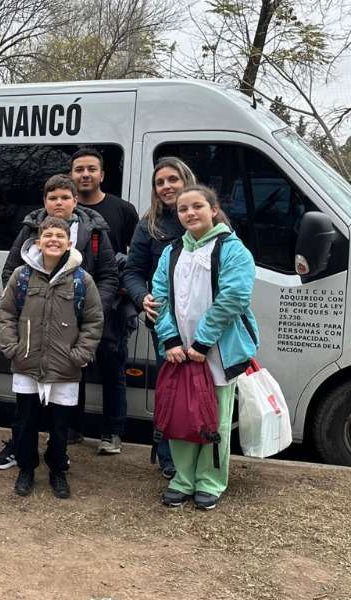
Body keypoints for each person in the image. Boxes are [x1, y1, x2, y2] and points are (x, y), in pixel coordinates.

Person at [0, 174, 117, 470]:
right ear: (44, 202)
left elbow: (109, 274)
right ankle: (21, 450)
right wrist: (29, 305)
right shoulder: (31, 226)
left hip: (70, 330)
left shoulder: (94, 230)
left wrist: (88, 306)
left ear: (75, 200)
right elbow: (12, 270)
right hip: (34, 331)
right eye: (52, 198)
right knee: (26, 405)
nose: (58, 203)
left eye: (64, 197)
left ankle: (58, 455)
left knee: (64, 406)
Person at [151, 185, 258, 511]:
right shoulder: (172, 252)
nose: (190, 213)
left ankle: (209, 481)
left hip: (217, 353)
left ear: (213, 210)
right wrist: (170, 340)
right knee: (183, 415)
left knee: (216, 420)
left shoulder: (234, 250)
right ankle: (182, 479)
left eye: (197, 206)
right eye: (183, 209)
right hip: (180, 353)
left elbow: (234, 297)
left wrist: (202, 341)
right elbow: (158, 297)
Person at [0, 216, 104, 499]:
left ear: (69, 242)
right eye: (48, 235)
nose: (53, 240)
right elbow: (7, 312)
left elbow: (94, 320)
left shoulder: (82, 279)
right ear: (38, 241)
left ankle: (58, 469)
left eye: (60, 235)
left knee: (60, 425)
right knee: (26, 420)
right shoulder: (21, 276)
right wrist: (12, 347)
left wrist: (80, 354)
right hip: (27, 361)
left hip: (65, 365)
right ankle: (26, 468)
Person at [123, 157, 197, 480]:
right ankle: (168, 457)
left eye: (172, 179)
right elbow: (133, 271)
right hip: (165, 326)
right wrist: (142, 297)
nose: (166, 186)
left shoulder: (204, 216)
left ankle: (201, 456)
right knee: (170, 391)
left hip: (203, 325)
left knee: (204, 390)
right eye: (160, 182)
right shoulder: (149, 223)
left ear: (186, 180)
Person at [69, 148, 138, 452]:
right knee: (73, 369)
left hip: (111, 304)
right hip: (69, 305)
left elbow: (137, 258)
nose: (85, 174)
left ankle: (112, 432)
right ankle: (72, 429)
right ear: (72, 175)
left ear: (102, 175)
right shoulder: (64, 210)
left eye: (91, 169)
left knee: (112, 368)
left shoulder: (123, 209)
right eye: (79, 169)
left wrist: (121, 290)